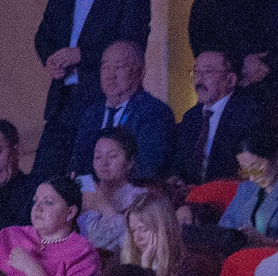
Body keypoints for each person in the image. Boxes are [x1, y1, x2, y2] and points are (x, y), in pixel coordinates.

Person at [32, 0, 150, 165]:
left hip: (100, 98)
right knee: (45, 178)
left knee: (88, 176)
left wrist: (81, 54)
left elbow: (131, 47)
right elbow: (44, 35)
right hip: (61, 98)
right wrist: (50, 58)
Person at [67, 40, 171, 185]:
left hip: (134, 196)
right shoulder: (91, 115)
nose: (110, 75)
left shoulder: (154, 112)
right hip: (89, 196)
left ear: (140, 72)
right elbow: (77, 164)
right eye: (105, 67)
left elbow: (148, 168)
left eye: (119, 67)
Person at [177, 48, 267, 187]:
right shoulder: (191, 117)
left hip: (226, 195)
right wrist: (177, 179)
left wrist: (204, 192)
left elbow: (246, 171)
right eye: (196, 72)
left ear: (230, 80)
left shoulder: (247, 113)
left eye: (208, 72)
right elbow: (180, 164)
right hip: (189, 197)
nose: (199, 79)